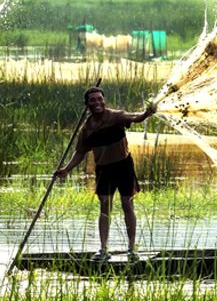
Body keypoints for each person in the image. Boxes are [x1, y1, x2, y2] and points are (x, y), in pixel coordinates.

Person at [55, 86, 156, 261]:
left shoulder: (116, 116)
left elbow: (135, 118)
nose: (97, 102)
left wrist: (146, 114)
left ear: (104, 100)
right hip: (103, 169)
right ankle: (103, 249)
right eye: (92, 100)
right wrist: (66, 169)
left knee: (127, 203)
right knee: (104, 207)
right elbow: (80, 153)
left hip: (124, 165)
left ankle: (132, 249)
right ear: (87, 104)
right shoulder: (87, 128)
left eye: (99, 99)